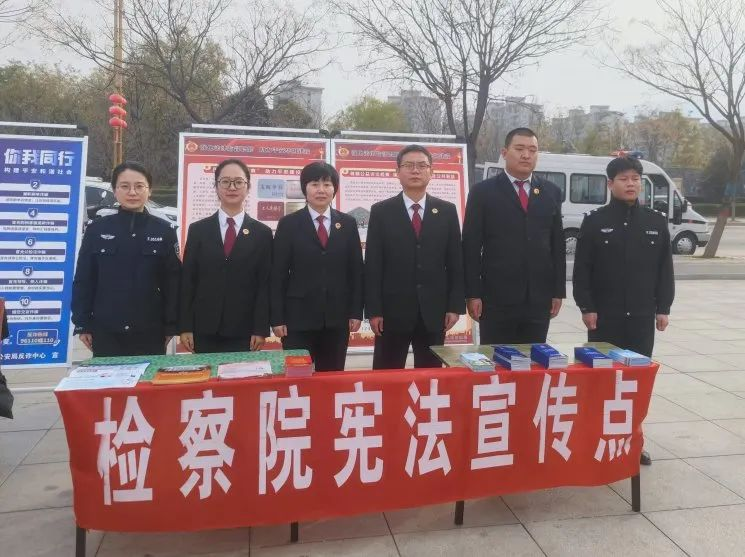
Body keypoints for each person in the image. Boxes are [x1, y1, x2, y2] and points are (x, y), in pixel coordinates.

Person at [573, 156, 674, 465]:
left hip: (641, 317)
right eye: (624, 179)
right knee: (602, 380)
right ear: (610, 184)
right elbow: (582, 269)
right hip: (605, 317)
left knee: (636, 382)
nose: (631, 184)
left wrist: (663, 307)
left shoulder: (655, 222)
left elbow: (664, 270)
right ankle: (598, 438)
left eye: (635, 179)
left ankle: (633, 441)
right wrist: (586, 306)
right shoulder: (595, 221)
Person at [365, 144, 465, 369]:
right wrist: (374, 311)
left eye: (422, 165)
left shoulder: (447, 211)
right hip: (392, 312)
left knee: (430, 376)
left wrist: (454, 306)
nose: (415, 170)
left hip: (434, 311)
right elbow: (373, 265)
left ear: (431, 171)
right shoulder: (381, 211)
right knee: (387, 375)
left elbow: (455, 263)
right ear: (397, 172)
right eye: (409, 165)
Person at [462, 127, 565, 344]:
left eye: (532, 150)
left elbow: (557, 245)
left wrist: (558, 292)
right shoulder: (483, 192)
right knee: (497, 360)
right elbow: (471, 246)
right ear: (504, 152)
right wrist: (473, 293)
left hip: (538, 298)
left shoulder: (551, 192)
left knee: (533, 359)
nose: (526, 155)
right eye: (519, 149)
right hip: (496, 298)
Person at [71, 161, 181, 357]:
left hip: (150, 331)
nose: (132, 192)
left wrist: (171, 325)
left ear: (149, 190)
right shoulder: (97, 230)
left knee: (148, 377)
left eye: (139, 186)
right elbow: (84, 280)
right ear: (115, 190)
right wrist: (82, 323)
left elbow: (173, 283)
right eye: (125, 186)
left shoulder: (164, 231)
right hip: (106, 330)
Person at [270, 162, 364, 371]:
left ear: (334, 189)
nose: (321, 190)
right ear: (305, 188)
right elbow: (278, 274)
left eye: (327, 184)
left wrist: (356, 312)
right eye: (314, 184)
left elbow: (356, 271)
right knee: (297, 376)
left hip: (337, 318)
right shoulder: (288, 224)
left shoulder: (347, 224)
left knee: (332, 377)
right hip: (297, 319)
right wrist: (277, 317)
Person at [180, 158, 272, 353]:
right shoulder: (198, 230)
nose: (232, 187)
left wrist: (260, 328)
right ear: (216, 186)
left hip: (245, 330)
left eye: (238, 182)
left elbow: (264, 284)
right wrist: (185, 326)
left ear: (248, 187)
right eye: (225, 182)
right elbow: (188, 280)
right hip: (203, 327)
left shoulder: (262, 233)